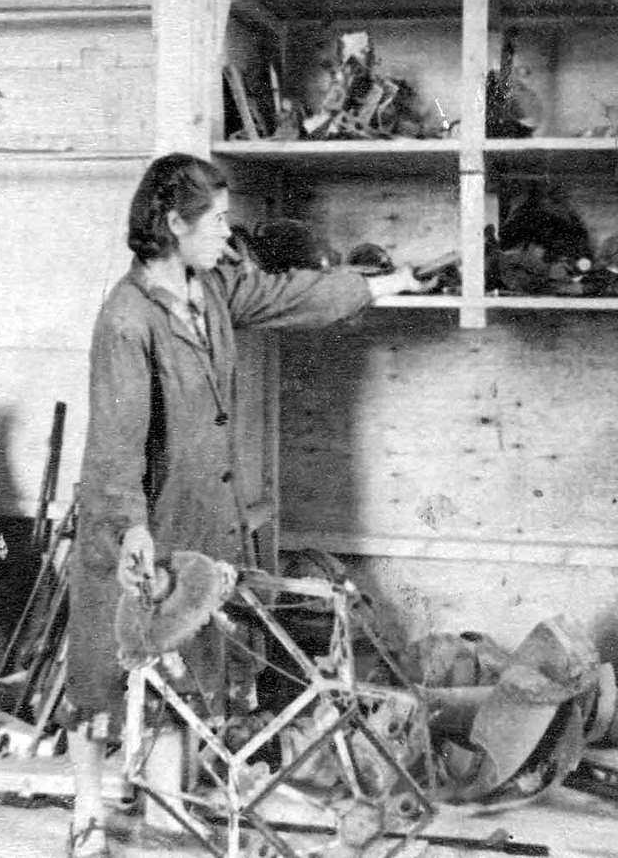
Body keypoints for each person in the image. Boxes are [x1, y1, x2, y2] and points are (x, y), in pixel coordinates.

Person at [63, 152, 431, 857]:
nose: (229, 235)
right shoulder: (127, 320)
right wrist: (133, 532)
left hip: (200, 512)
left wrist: (379, 284)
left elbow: (291, 295)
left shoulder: (212, 289)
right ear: (175, 225)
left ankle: (169, 809)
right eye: (217, 221)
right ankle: (86, 815)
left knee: (187, 663)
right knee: (102, 671)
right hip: (133, 520)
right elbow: (115, 446)